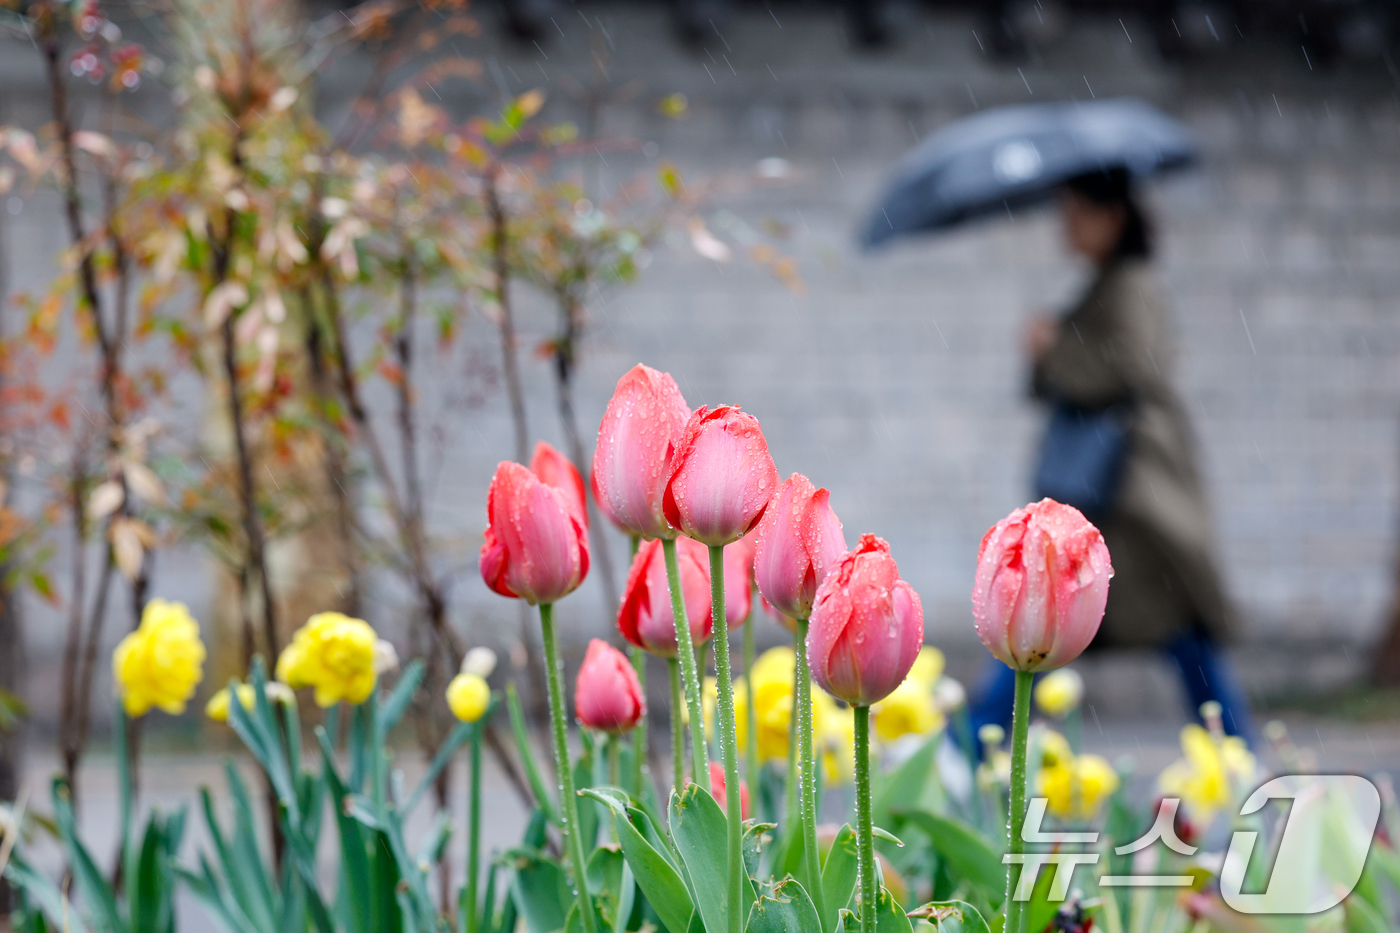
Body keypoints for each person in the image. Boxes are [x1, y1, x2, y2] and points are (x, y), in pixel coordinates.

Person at [970, 167, 1255, 741]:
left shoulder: (1130, 283)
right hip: (1115, 489)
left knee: (1054, 611)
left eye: (1078, 214)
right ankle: (1236, 749)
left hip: (1136, 487)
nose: (1067, 227)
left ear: (1113, 218)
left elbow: (1132, 368)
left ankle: (971, 739)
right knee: (1083, 616)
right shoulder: (1108, 282)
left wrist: (1055, 349)